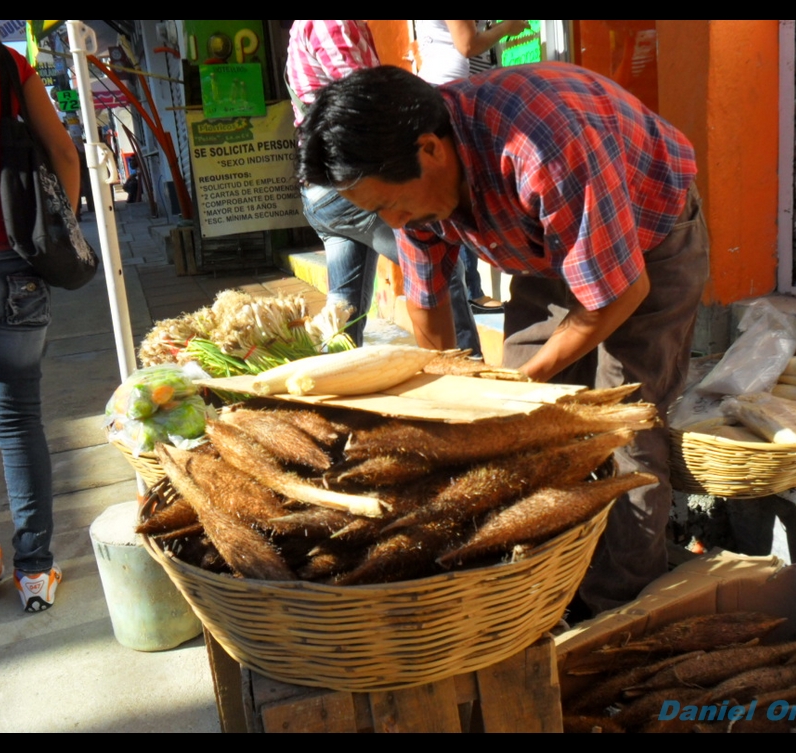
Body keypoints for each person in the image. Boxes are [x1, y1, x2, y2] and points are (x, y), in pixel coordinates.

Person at [296, 63, 709, 616]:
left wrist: (522, 382)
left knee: (624, 427)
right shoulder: (407, 180)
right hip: (545, 253)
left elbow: (619, 293)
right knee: (522, 431)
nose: (391, 220)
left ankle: (619, 611)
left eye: (388, 206)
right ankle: (548, 586)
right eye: (376, 213)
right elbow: (427, 297)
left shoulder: (544, 143)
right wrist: (450, 393)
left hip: (647, 242)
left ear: (431, 150)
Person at [0, 20, 79, 612]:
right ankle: (35, 571)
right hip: (11, 262)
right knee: (18, 414)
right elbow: (61, 149)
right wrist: (61, 226)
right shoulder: (4, 64)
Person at [286, 20, 481, 353]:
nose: (396, 219)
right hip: (346, 186)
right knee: (442, 270)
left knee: (343, 309)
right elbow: (367, 107)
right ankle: (469, 375)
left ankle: (339, 387)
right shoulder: (331, 22)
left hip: (324, 194)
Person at [415, 20, 529, 313]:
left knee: (458, 194)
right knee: (462, 192)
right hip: (455, 91)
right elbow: (467, 45)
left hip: (448, 89)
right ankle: (472, 292)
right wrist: (509, 27)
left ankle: (470, 290)